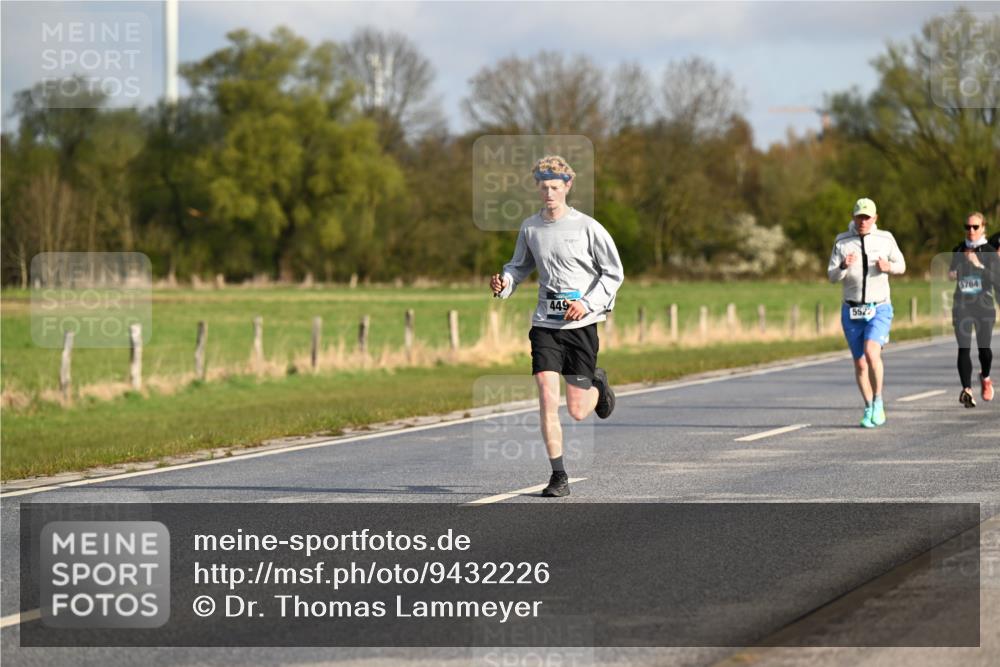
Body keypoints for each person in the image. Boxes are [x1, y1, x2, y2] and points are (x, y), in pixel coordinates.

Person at [490, 155, 624, 497]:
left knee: (578, 410)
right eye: (543, 187)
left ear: (567, 187)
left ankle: (599, 385)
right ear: (537, 188)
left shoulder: (588, 227)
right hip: (545, 326)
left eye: (555, 187)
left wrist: (588, 304)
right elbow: (518, 267)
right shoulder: (530, 227)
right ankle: (558, 476)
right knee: (547, 399)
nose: (549, 193)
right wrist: (504, 283)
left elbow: (613, 273)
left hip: (581, 327)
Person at [828, 197, 906, 428]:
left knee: (872, 353)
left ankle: (879, 401)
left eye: (867, 217)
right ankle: (869, 405)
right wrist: (843, 266)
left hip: (879, 307)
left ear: (875, 218)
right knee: (860, 363)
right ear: (853, 217)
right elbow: (831, 276)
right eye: (859, 216)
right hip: (851, 310)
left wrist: (888, 267)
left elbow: (902, 265)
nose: (863, 221)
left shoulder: (885, 238)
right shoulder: (842, 241)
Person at [948, 212, 998, 407]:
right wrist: (952, 273)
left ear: (983, 228)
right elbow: (953, 272)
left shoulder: (990, 251)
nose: (971, 231)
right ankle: (966, 389)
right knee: (963, 348)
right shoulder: (958, 250)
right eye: (967, 227)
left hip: (983, 306)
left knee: (984, 350)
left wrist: (978, 265)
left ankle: (985, 376)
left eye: (975, 227)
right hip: (962, 305)